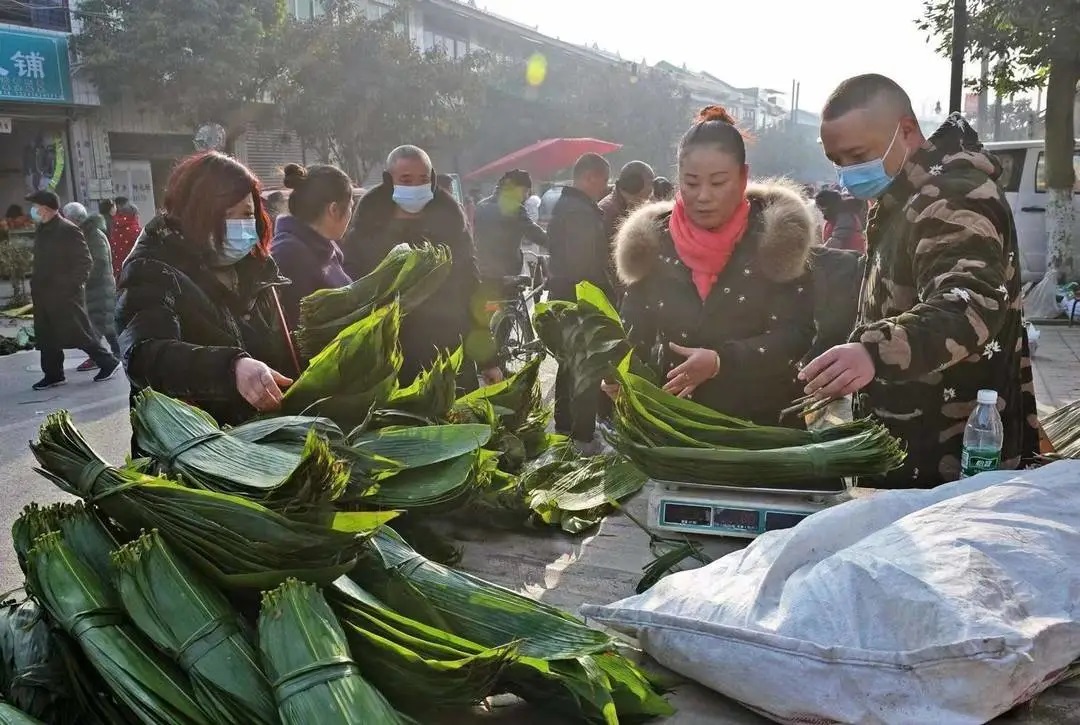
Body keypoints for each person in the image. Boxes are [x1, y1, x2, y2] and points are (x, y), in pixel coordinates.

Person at [801, 73, 1038, 488]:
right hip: (910, 441)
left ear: (906, 130)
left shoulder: (952, 197)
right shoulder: (906, 193)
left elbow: (970, 302)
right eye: (837, 161)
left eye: (858, 155)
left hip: (950, 459)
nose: (848, 174)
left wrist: (873, 351)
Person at [615, 106, 816, 425]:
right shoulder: (653, 240)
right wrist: (620, 372)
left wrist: (722, 361)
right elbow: (633, 328)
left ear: (743, 177)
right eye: (691, 183)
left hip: (761, 423)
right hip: (676, 422)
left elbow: (797, 334)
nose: (703, 196)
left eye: (718, 182)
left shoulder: (775, 238)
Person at [115, 151, 299, 428]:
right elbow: (144, 355)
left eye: (247, 214)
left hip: (267, 432)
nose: (240, 225)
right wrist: (230, 367)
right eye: (225, 215)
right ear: (192, 214)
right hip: (200, 440)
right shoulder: (151, 269)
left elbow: (279, 346)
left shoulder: (257, 268)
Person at [341, 145, 501, 388]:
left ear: (433, 180)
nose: (415, 186)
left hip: (449, 350)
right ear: (389, 181)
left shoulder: (451, 225)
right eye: (406, 179)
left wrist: (488, 359)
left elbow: (471, 289)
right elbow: (352, 294)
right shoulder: (367, 230)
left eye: (423, 179)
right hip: (390, 358)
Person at [547, 152, 614, 449]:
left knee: (568, 364)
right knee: (586, 366)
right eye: (604, 180)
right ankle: (582, 432)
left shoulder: (567, 206)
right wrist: (603, 298)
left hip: (565, 296)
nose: (605, 187)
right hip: (579, 299)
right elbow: (583, 265)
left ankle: (565, 425)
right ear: (590, 177)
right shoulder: (580, 213)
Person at [26, 190, 120, 390]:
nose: (33, 210)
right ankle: (53, 375)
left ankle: (108, 362)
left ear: (45, 208)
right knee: (47, 337)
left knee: (79, 333)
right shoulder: (42, 229)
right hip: (43, 294)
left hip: (64, 295)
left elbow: (85, 262)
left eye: (35, 206)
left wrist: (70, 286)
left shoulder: (68, 229)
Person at [271, 163, 353, 329]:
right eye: (351, 206)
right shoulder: (289, 254)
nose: (351, 213)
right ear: (334, 209)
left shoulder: (327, 247)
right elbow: (299, 328)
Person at [61, 202, 121, 371]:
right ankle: (116, 354)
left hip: (100, 286)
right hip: (93, 287)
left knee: (95, 324)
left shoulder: (94, 234)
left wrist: (82, 277)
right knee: (105, 324)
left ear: (75, 219)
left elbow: (99, 262)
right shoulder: (83, 233)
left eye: (67, 219)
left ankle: (102, 358)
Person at [473, 169, 547, 283]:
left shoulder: (480, 206)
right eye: (525, 191)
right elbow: (536, 234)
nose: (526, 196)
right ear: (517, 188)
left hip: (481, 272)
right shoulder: (516, 209)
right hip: (506, 274)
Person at [599, 161, 655, 244]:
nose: (651, 190)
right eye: (650, 183)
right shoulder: (609, 213)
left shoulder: (630, 205)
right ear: (635, 184)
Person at [814, 188, 866, 253]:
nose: (821, 211)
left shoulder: (845, 215)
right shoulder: (834, 215)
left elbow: (836, 241)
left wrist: (820, 251)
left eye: (822, 209)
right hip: (841, 253)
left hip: (851, 255)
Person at [109, 197, 141, 280]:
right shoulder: (136, 231)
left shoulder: (113, 228)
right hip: (133, 272)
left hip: (116, 272)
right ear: (134, 215)